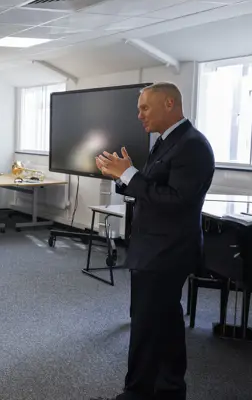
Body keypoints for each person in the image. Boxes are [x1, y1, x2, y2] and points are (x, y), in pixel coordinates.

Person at [92, 83, 215, 400]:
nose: (139, 115)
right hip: (154, 248)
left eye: (145, 107)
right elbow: (152, 187)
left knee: (146, 327)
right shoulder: (167, 141)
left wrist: (129, 174)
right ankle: (169, 389)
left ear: (169, 103)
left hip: (167, 252)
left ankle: (136, 394)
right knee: (165, 323)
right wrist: (122, 176)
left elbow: (177, 201)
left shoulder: (193, 146)